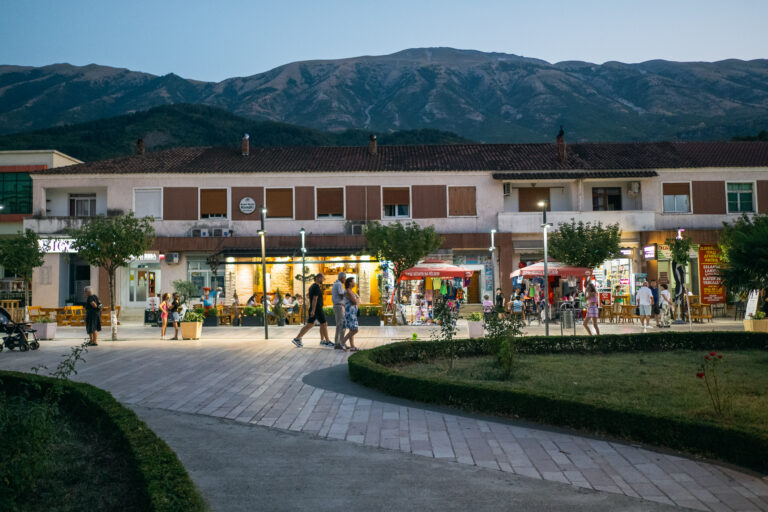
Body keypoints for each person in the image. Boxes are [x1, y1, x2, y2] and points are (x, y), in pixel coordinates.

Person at [292, 273, 331, 348]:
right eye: (323, 278)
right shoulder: (316, 287)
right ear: (318, 278)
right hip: (317, 309)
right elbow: (314, 299)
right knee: (324, 323)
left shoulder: (313, 286)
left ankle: (297, 338)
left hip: (315, 308)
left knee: (311, 324)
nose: (323, 280)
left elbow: (310, 297)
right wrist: (313, 310)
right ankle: (327, 341)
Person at [341, 276, 360, 351]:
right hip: (350, 313)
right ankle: (342, 342)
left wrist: (357, 299)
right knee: (355, 330)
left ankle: (352, 346)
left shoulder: (351, 291)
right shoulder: (348, 292)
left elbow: (356, 301)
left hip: (353, 312)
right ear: (349, 283)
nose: (354, 283)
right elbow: (355, 302)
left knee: (351, 329)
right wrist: (357, 299)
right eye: (353, 281)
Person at [331, 272, 347, 349]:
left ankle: (339, 342)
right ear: (341, 278)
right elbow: (341, 294)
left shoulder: (337, 284)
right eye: (345, 278)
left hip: (338, 306)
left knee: (340, 324)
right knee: (341, 325)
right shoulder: (339, 284)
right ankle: (339, 343)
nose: (345, 279)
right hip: (339, 306)